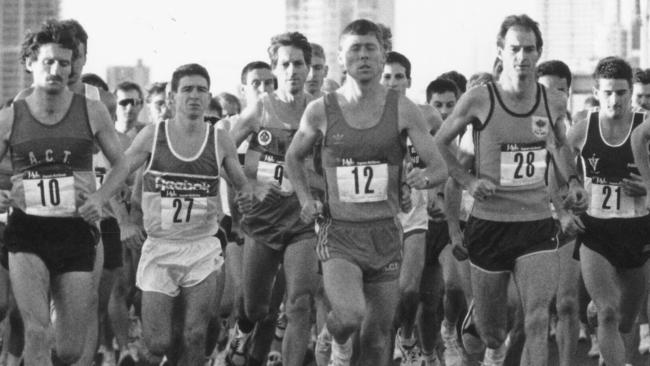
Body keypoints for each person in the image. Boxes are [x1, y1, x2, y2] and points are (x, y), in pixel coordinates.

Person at [286, 19, 447, 366]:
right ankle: (335, 340)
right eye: (354, 49)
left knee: (376, 341)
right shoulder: (321, 110)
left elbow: (439, 167)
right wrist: (305, 199)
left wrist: (421, 178)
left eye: (370, 48)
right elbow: (293, 157)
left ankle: (342, 341)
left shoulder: (404, 109)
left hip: (386, 232)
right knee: (349, 315)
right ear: (341, 59)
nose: (362, 56)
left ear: (382, 55)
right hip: (340, 233)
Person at [435, 14, 586, 366]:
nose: (522, 57)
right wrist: (469, 181)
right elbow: (440, 143)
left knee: (535, 317)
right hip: (489, 224)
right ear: (501, 51)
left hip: (535, 222)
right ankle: (484, 335)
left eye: (529, 49)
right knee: (492, 333)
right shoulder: (479, 100)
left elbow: (560, 146)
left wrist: (573, 182)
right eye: (515, 48)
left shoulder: (553, 102)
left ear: (538, 53)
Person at [80, 63, 254, 365]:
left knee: (194, 335)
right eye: (187, 89)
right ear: (172, 97)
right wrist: (107, 203)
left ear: (208, 95)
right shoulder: (152, 135)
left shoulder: (219, 139)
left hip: (202, 247)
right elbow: (121, 169)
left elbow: (241, 183)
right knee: (158, 342)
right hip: (160, 247)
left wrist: (247, 198)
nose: (195, 96)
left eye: (201, 89)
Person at [0, 20, 125, 365]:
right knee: (37, 330)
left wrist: (100, 198)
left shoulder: (92, 110)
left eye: (65, 63)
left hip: (76, 231)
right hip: (28, 230)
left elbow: (122, 165)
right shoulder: (11, 117)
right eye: (48, 62)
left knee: (68, 349)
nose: (57, 70)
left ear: (74, 67)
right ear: (29, 63)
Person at [227, 32, 320, 366]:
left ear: (309, 68)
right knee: (256, 308)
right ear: (275, 68)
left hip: (302, 222)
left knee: (299, 304)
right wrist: (246, 184)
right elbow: (222, 149)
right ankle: (242, 328)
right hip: (263, 221)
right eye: (285, 64)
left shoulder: (320, 109)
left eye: (299, 63)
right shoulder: (261, 109)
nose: (292, 70)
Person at [381, 50, 444, 366]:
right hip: (379, 216)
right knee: (384, 298)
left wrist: (434, 187)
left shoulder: (428, 116)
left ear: (409, 79)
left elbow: (444, 162)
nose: (393, 82)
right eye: (387, 76)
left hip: (416, 216)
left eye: (398, 76)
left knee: (409, 291)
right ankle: (388, 345)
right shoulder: (365, 119)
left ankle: (406, 338)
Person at [535, 59, 581, 366]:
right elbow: (549, 169)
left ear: (569, 92)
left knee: (566, 303)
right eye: (547, 89)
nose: (554, 95)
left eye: (560, 89)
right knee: (534, 309)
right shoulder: (533, 123)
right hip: (532, 220)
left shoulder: (578, 127)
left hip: (569, 222)